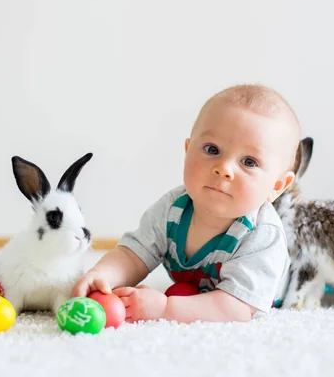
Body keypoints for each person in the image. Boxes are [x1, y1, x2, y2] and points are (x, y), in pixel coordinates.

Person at [71, 84, 301, 323]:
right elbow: (134, 254)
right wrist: (102, 275)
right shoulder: (174, 208)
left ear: (276, 186)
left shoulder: (262, 235)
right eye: (212, 149)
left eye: (249, 162)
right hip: (194, 290)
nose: (224, 169)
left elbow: (235, 309)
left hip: (252, 295)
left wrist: (165, 309)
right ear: (188, 150)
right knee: (183, 294)